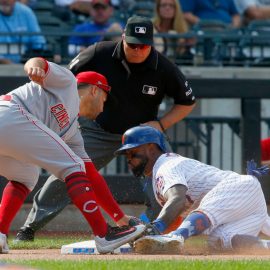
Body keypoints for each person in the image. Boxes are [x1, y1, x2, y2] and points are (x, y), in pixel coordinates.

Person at [14, 15, 196, 243]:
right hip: (98, 130)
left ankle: (149, 234)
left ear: (152, 43)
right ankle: (30, 228)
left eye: (144, 45)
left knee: (164, 183)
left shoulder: (164, 66)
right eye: (133, 44)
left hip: (142, 137)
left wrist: (161, 124)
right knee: (66, 173)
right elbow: (69, 79)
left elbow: (187, 103)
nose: (139, 50)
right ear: (123, 38)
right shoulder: (99, 52)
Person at [0, 57, 145, 254]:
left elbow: (91, 176)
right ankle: (103, 235)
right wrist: (33, 67)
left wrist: (119, 216)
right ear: (95, 90)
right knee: (72, 166)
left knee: (26, 177)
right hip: (8, 113)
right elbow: (38, 62)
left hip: (9, 125)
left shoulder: (72, 133)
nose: (104, 108)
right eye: (104, 99)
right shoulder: (67, 83)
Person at [115, 125, 270, 254]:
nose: (129, 158)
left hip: (240, 187)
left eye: (133, 152)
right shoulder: (161, 172)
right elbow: (173, 215)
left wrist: (155, 229)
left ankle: (177, 236)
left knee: (197, 218)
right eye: (126, 154)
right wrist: (145, 232)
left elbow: (178, 199)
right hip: (243, 202)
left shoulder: (165, 166)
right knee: (221, 241)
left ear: (151, 147)